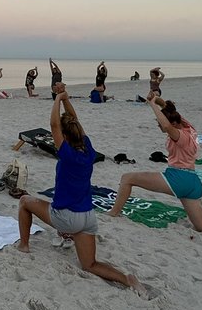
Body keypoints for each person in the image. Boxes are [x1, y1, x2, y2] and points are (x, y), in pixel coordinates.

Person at [16, 83, 145, 293]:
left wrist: (58, 98)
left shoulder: (67, 154)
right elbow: (74, 121)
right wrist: (66, 98)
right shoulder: (88, 149)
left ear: (65, 136)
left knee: (24, 201)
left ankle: (24, 245)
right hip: (88, 218)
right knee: (90, 264)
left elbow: (54, 124)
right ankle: (126, 279)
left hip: (67, 218)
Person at [108, 97, 202, 246]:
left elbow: (167, 126)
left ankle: (113, 214)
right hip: (193, 182)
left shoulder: (180, 135)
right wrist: (157, 100)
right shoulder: (188, 127)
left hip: (178, 178)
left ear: (173, 123)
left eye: (159, 122)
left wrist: (152, 105)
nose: (158, 125)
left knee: (127, 178)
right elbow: (169, 110)